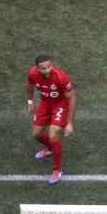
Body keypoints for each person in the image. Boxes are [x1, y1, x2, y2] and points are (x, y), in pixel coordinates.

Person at [26, 55, 77, 184]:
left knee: (53, 134)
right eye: (43, 68)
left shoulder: (61, 77)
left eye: (49, 66)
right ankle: (50, 148)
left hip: (60, 105)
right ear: (37, 69)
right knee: (37, 134)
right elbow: (30, 86)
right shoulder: (32, 74)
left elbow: (72, 100)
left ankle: (57, 169)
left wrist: (70, 123)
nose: (47, 70)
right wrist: (30, 103)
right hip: (45, 104)